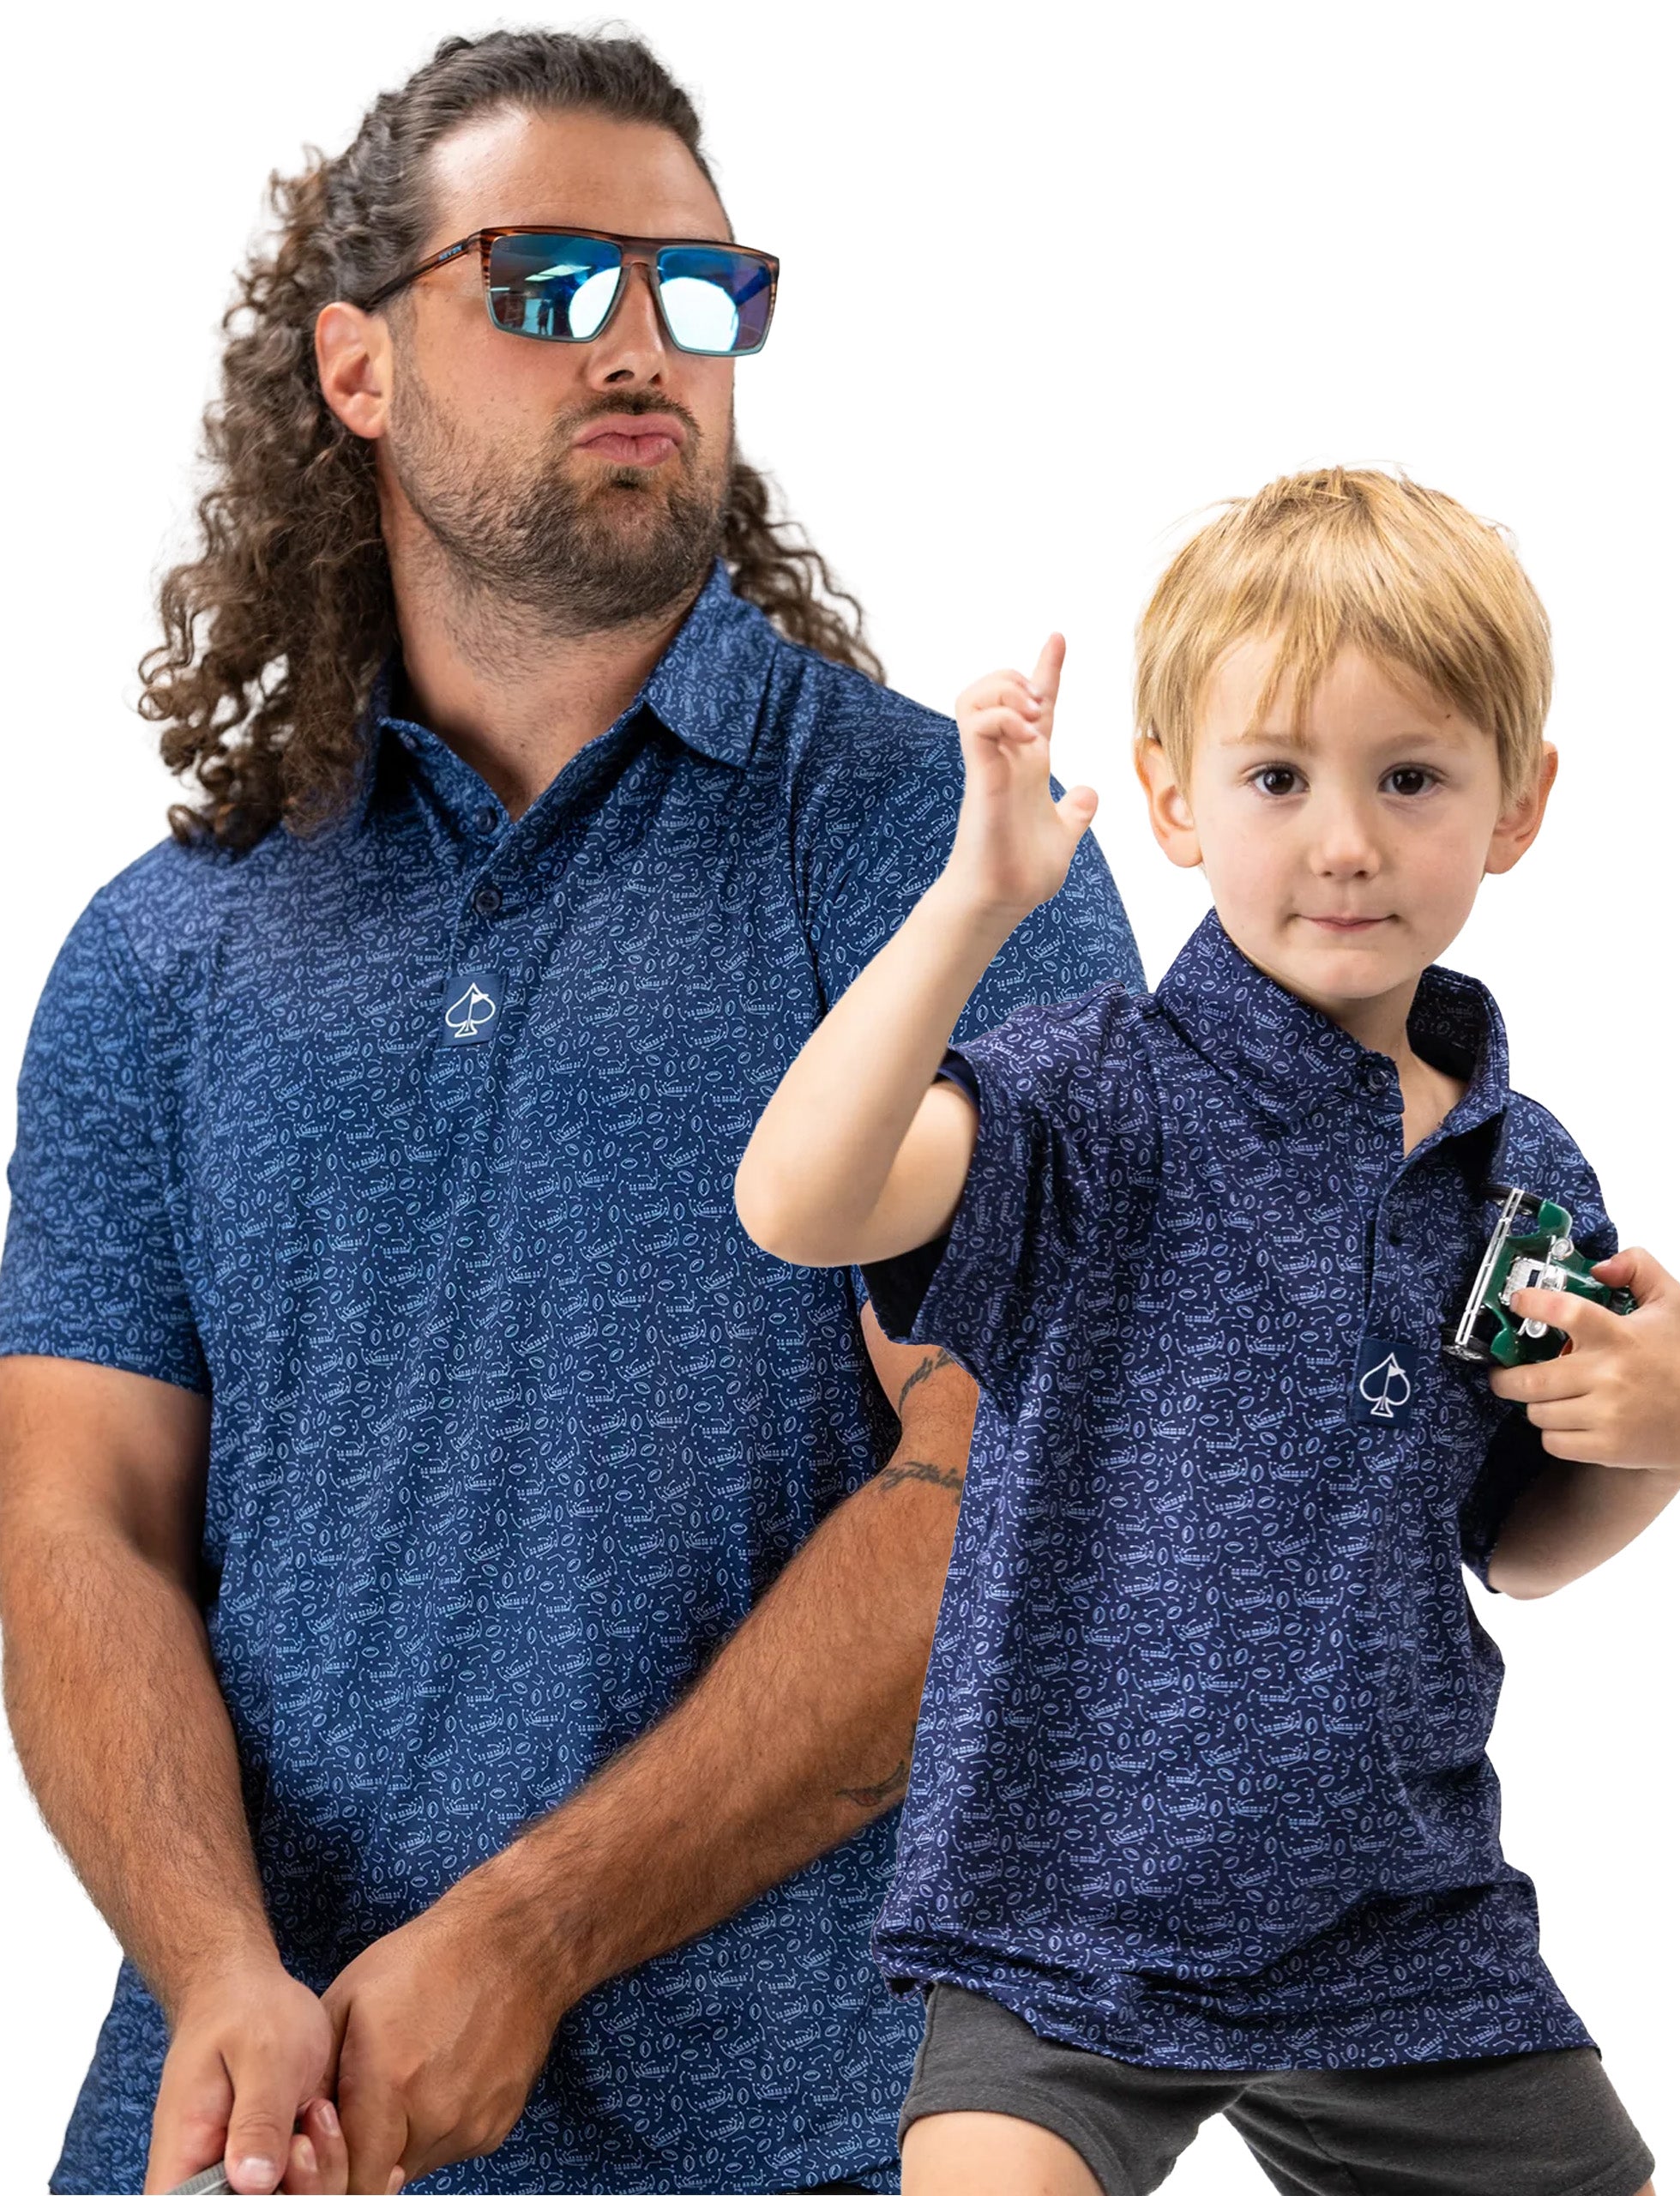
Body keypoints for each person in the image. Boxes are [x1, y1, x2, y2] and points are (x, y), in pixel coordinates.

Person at [0, 30, 1143, 2196]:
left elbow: (1007, 1481)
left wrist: (531, 1933)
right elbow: (79, 1523)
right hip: (251, 2133)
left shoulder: (936, 849)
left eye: (697, 291)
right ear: (355, 368)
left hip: (807, 2138)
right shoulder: (165, 947)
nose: (640, 344)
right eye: (544, 285)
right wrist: (223, 1966)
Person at [736, 468, 1680, 2196]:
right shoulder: (1083, 1094)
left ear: (1517, 803)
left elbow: (1521, 1544)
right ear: (1177, 800)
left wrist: (1667, 1433)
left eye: (1409, 777)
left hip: (1400, 1923)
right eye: (1279, 777)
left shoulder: (1516, 1162)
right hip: (1064, 1914)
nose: (1344, 841)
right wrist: (969, 900)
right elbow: (799, 1203)